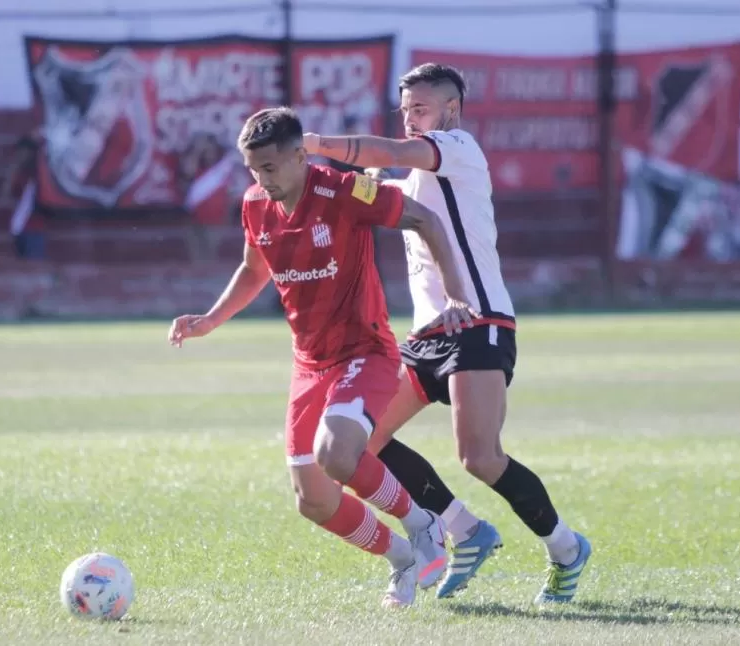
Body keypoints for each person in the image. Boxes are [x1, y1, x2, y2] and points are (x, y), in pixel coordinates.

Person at [302, 63, 592, 604]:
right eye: (405, 109)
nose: (410, 119)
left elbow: (384, 151)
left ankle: (566, 548)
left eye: (420, 109)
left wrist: (315, 142)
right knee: (366, 440)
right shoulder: (410, 179)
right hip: (426, 336)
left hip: (479, 321)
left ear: (449, 111)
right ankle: (465, 529)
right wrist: (303, 174)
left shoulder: (457, 148)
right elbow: (361, 189)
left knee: (480, 457)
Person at [168, 106, 477, 609]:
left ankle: (423, 525)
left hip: (365, 351)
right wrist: (208, 319)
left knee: (338, 453)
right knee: (312, 499)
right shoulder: (255, 204)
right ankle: (402, 558)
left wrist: (456, 294)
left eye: (269, 168)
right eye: (252, 169)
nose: (260, 179)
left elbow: (424, 218)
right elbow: (253, 269)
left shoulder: (343, 191)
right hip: (309, 362)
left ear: (299, 157)